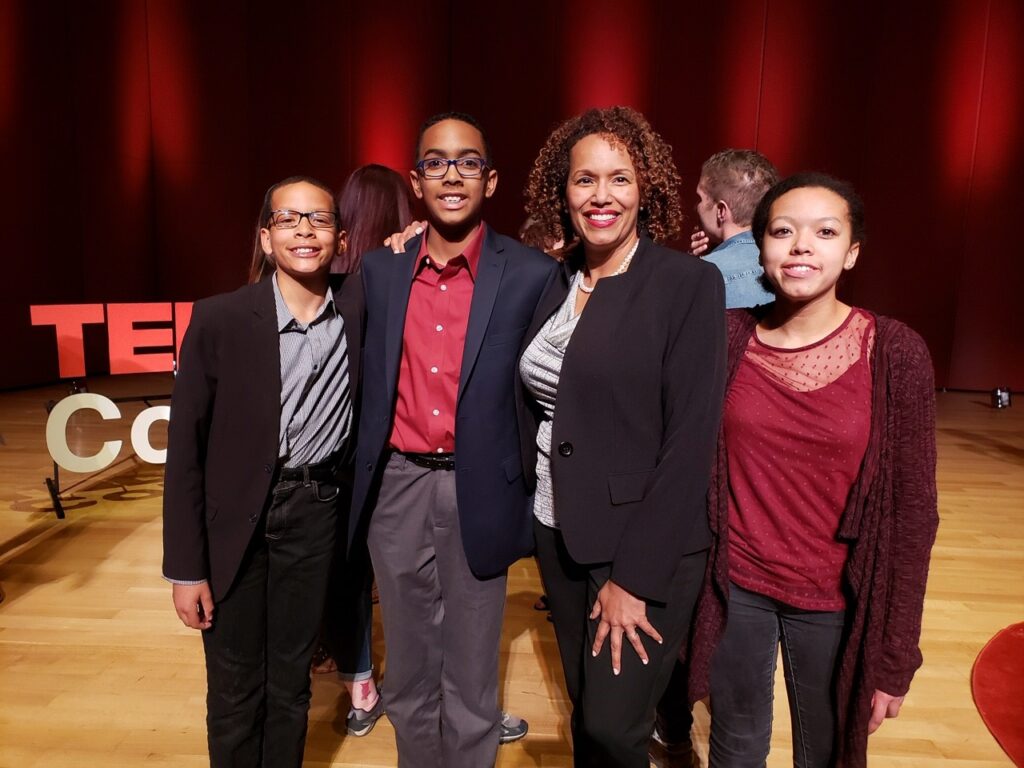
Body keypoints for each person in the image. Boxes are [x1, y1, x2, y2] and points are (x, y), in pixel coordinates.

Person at [687, 172, 939, 767]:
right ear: (761, 246)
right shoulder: (726, 338)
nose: (801, 245)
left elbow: (912, 515)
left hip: (835, 596)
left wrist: (896, 655)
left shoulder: (894, 352)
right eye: (783, 231)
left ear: (851, 252)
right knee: (735, 745)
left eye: (825, 232)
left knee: (824, 753)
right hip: (736, 585)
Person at [349, 111, 559, 768]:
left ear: (490, 181)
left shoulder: (528, 274)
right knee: (410, 670)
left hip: (482, 487)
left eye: (468, 162)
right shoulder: (380, 275)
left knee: (471, 677)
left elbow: (548, 392)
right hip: (398, 486)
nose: (452, 174)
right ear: (416, 181)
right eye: (436, 162)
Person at [519, 105, 727, 767]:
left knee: (614, 728)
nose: (601, 195)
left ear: (648, 190)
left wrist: (634, 578)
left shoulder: (686, 284)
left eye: (619, 179)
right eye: (585, 180)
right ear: (564, 193)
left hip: (641, 545)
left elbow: (691, 441)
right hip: (557, 530)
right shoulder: (554, 282)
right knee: (590, 720)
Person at [163, 175, 364, 767]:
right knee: (233, 688)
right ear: (266, 236)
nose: (304, 229)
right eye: (288, 218)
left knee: (290, 683)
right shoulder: (220, 319)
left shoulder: (357, 307)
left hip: (314, 516)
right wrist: (185, 568)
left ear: (342, 238)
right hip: (236, 524)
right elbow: (186, 451)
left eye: (320, 219)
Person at [651, 149, 780, 768]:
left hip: (699, 483)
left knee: (683, 618)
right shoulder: (789, 276)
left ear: (720, 208)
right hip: (764, 499)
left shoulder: (692, 285)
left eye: (702, 199)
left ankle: (674, 733)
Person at [312, 164, 414, 738]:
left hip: (337, 453)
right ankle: (420, 681)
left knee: (347, 571)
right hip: (399, 448)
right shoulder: (406, 275)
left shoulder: (327, 286)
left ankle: (360, 688)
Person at [691, 149, 778, 308]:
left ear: (721, 211)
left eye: (700, 199)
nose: (697, 207)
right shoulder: (785, 269)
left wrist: (689, 268)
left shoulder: (699, 276)